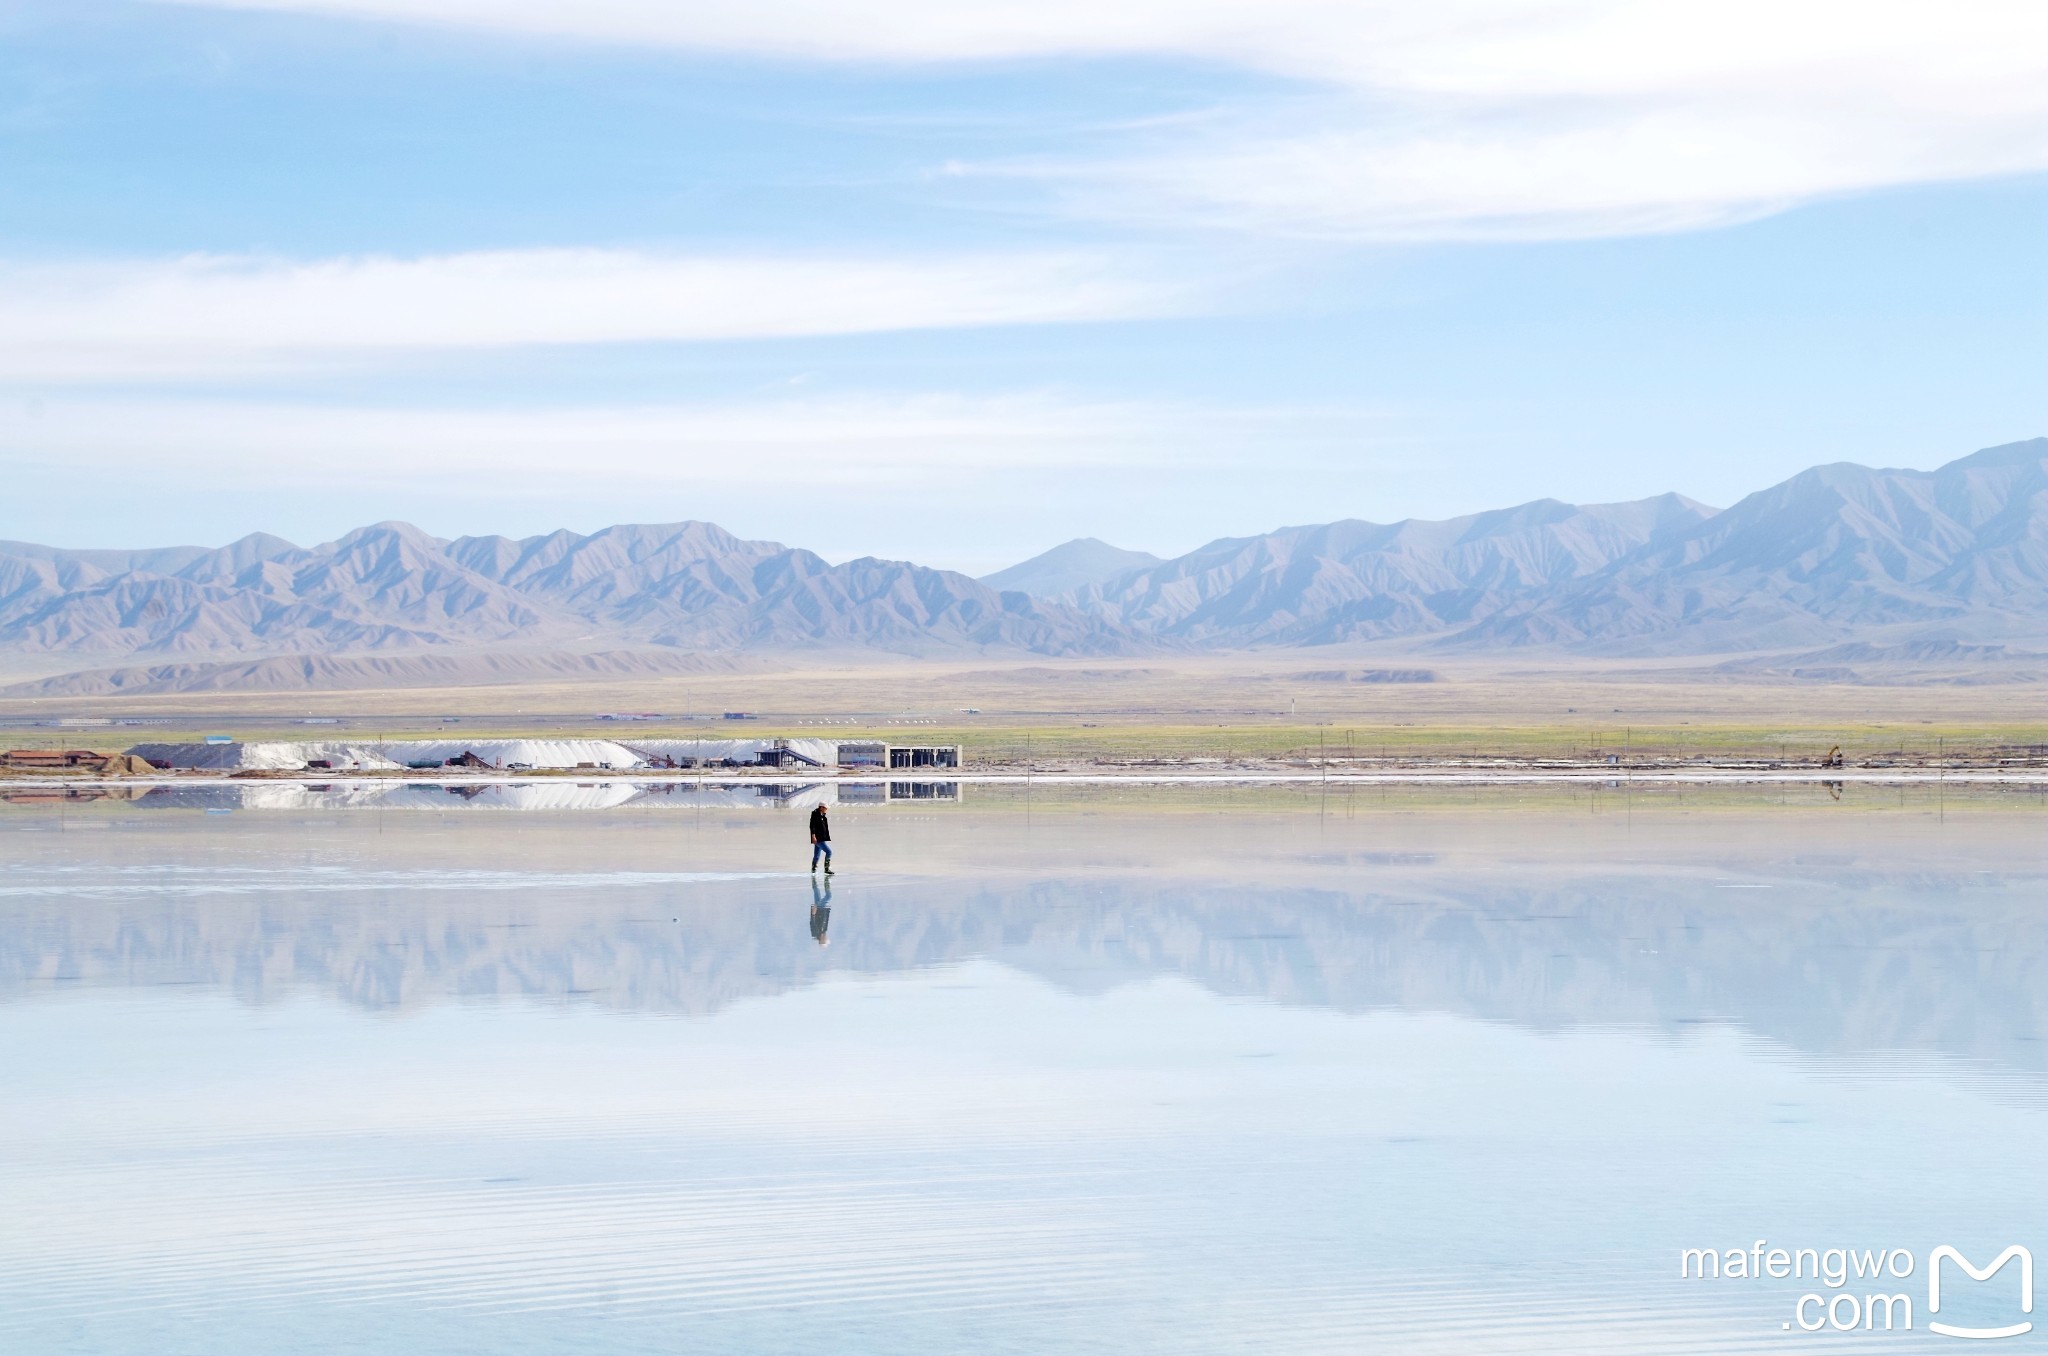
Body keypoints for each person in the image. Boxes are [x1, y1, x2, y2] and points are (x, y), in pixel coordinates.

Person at [809, 801, 833, 873]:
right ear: (821, 807)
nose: (826, 809)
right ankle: (826, 869)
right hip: (818, 838)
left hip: (822, 838)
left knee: (817, 855)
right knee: (829, 852)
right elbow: (812, 826)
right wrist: (813, 836)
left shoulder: (822, 815)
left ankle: (813, 869)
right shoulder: (815, 814)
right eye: (825, 808)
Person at [809, 876, 832, 946]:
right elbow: (826, 919)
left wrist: (813, 914)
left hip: (819, 909)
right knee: (816, 891)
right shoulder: (824, 931)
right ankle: (813, 877)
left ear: (822, 940)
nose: (826, 938)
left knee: (828, 896)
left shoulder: (815, 933)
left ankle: (826, 880)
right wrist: (828, 910)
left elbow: (812, 923)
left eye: (825, 940)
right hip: (823, 909)